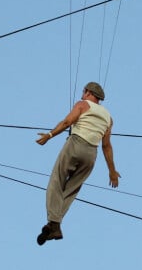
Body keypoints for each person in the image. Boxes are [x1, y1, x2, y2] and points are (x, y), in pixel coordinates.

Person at [35, 82, 120, 245]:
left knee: (56, 181)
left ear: (89, 93)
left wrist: (50, 135)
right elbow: (106, 145)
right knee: (72, 188)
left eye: (84, 91)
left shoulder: (83, 105)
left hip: (75, 144)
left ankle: (53, 222)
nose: (82, 94)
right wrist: (112, 171)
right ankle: (55, 225)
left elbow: (67, 122)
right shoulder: (109, 118)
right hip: (91, 154)